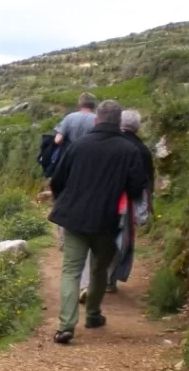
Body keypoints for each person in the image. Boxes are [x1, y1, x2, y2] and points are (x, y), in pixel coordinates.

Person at [48, 100, 148, 344]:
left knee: (71, 271)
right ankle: (93, 315)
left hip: (73, 218)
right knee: (99, 269)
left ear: (97, 119)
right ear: (118, 121)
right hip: (107, 221)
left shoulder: (78, 146)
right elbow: (136, 187)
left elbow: (57, 180)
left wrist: (66, 200)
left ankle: (66, 327)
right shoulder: (129, 150)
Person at [53, 93, 97, 248]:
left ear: (80, 104)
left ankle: (63, 239)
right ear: (93, 105)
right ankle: (86, 235)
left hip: (69, 165)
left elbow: (57, 140)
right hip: (91, 166)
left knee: (65, 199)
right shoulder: (97, 120)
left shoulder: (69, 118)